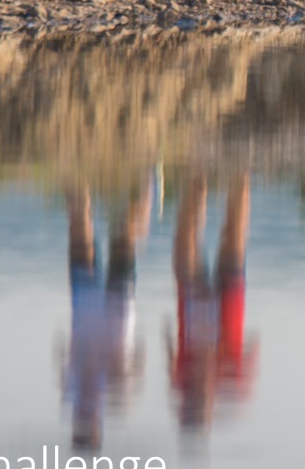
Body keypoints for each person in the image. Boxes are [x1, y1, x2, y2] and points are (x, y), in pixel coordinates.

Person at [61, 181, 151, 450]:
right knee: (123, 236)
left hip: (94, 310)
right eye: (90, 427)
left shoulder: (75, 396)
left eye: (82, 427)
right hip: (113, 311)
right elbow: (138, 364)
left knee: (83, 230)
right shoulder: (115, 398)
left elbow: (62, 356)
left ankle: (77, 169)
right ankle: (145, 179)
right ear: (97, 427)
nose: (87, 419)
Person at [166, 171, 256, 434]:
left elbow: (171, 355)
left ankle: (198, 176)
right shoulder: (230, 384)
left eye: (190, 405)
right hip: (227, 305)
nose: (196, 398)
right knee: (234, 236)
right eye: (199, 406)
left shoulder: (180, 382)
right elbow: (250, 355)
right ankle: (241, 171)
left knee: (185, 240)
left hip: (192, 303)